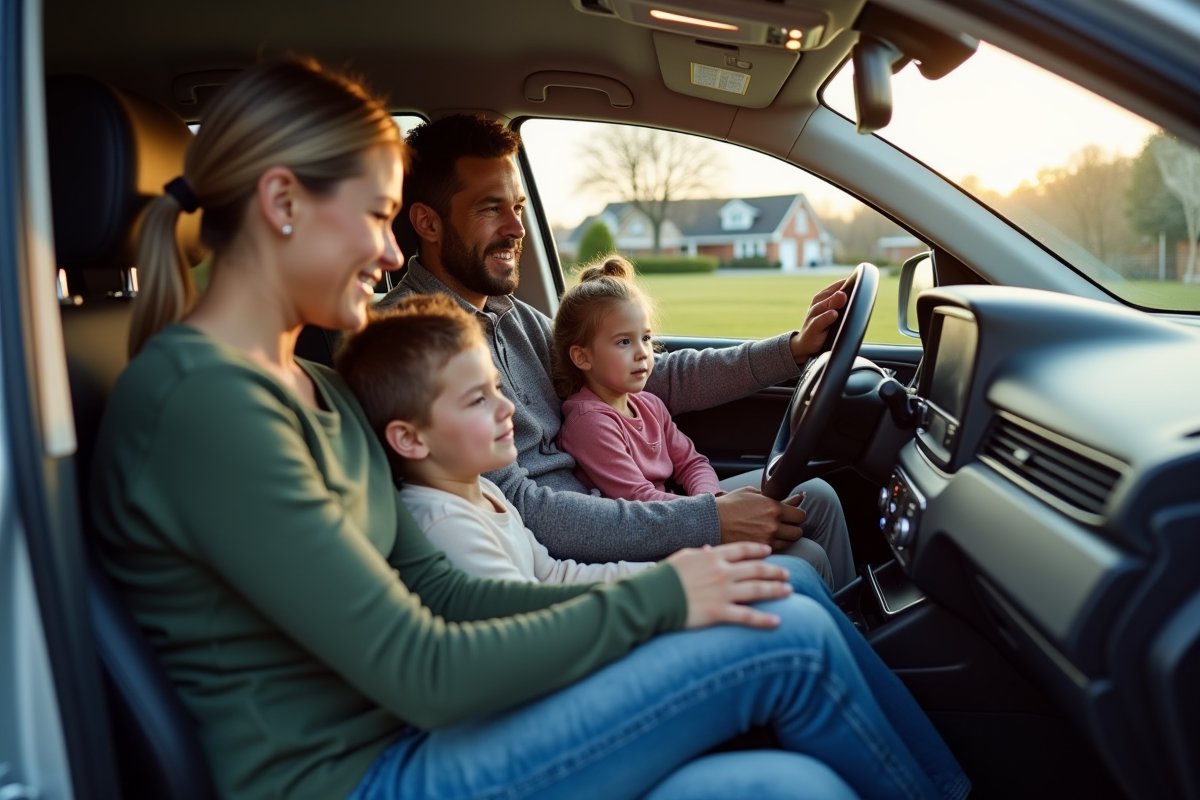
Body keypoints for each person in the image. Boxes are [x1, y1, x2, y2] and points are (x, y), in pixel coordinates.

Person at [91, 57, 969, 800]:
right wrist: (661, 597)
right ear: (283, 202)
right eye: (374, 216)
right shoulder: (201, 405)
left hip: (422, 729)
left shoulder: (315, 384)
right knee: (795, 638)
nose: (394, 253)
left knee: (786, 692)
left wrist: (675, 584)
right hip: (363, 773)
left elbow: (454, 596)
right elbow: (419, 668)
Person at [378, 113, 856, 591]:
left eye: (519, 208)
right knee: (804, 561)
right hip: (565, 548)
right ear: (428, 222)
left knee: (816, 498)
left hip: (612, 506)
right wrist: (706, 521)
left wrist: (792, 350)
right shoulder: (413, 338)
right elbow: (516, 505)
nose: (517, 228)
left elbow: (650, 376)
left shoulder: (511, 315)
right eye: (490, 209)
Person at [551, 256, 835, 588]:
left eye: (645, 338)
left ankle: (852, 616)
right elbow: (639, 500)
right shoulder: (588, 422)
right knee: (808, 555)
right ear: (582, 356)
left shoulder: (647, 403)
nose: (643, 352)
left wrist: (715, 501)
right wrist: (714, 517)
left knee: (818, 495)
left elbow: (691, 462)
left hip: (683, 512)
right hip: (648, 539)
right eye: (624, 342)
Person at [337, 293, 655, 583]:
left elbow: (555, 574)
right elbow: (528, 617)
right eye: (478, 399)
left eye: (497, 389)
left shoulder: (486, 491)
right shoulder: (445, 523)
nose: (506, 407)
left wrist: (662, 574)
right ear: (411, 439)